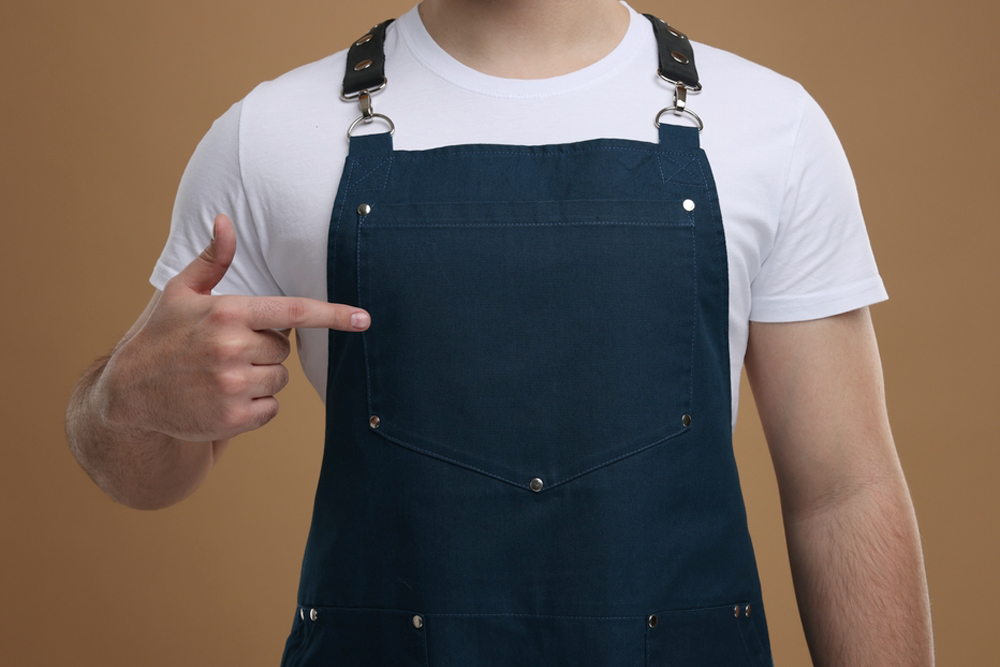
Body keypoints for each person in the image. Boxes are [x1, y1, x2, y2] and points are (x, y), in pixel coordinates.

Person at [66, 0, 934, 664]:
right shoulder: (270, 135)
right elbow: (144, 476)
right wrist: (125, 399)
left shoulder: (772, 128)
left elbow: (844, 490)